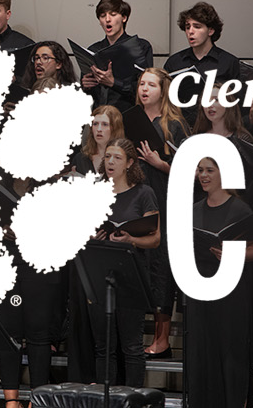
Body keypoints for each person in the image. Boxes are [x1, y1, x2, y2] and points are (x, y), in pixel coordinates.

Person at [71, 138, 157, 387]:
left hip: (131, 276)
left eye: (117, 157)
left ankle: (135, 401)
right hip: (101, 276)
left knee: (131, 346)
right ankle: (104, 399)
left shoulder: (143, 193)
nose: (110, 162)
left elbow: (155, 239)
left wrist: (130, 238)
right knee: (103, 346)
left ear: (130, 163)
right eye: (108, 156)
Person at [181, 157, 253, 408]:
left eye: (209, 170)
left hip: (231, 291)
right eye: (200, 170)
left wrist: (233, 253)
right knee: (201, 354)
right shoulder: (193, 209)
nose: (203, 175)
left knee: (229, 353)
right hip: (200, 287)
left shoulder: (240, 209)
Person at [128, 68, 188, 357]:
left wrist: (157, 162)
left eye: (151, 85)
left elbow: (188, 169)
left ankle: (162, 338)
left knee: (161, 268)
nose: (145, 89)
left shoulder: (173, 124)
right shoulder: (131, 119)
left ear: (163, 91)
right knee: (140, 266)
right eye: (142, 84)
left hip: (166, 200)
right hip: (137, 199)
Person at [166, 2, 244, 107]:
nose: (190, 31)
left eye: (197, 27)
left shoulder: (229, 63)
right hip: (181, 120)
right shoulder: (175, 62)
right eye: (187, 27)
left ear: (210, 31)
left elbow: (237, 104)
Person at [82, 0, 154, 109]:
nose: (107, 19)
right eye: (102, 16)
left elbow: (146, 89)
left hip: (128, 113)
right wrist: (85, 85)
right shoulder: (93, 50)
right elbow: (85, 97)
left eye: (113, 14)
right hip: (99, 116)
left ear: (124, 18)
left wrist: (113, 83)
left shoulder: (140, 47)